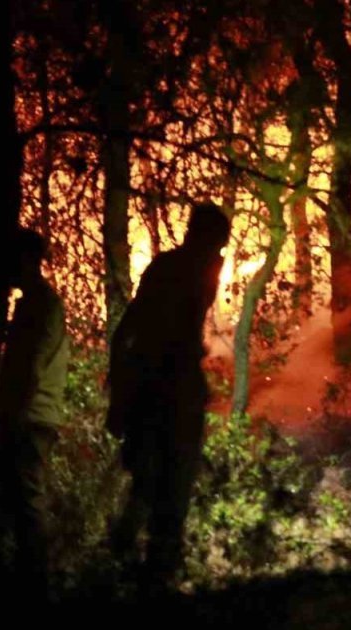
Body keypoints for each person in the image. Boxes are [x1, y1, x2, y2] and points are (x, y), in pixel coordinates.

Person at [107, 203, 231, 592]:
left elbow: (130, 327)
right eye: (218, 245)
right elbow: (144, 327)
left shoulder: (173, 268)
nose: (221, 254)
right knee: (168, 487)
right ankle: (151, 575)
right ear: (205, 238)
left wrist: (120, 391)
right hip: (169, 391)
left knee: (150, 483)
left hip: (158, 389)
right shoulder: (191, 271)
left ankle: (130, 563)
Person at [0, 228, 69, 601]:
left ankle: (36, 587)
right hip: (30, 416)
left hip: (30, 418)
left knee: (27, 500)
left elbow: (31, 365)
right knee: (16, 500)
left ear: (25, 261)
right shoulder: (32, 303)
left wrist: (12, 417)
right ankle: (25, 581)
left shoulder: (41, 305)